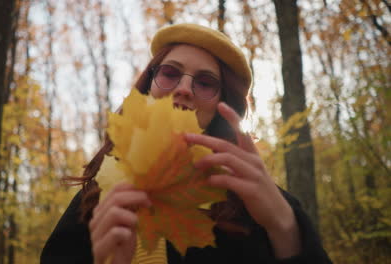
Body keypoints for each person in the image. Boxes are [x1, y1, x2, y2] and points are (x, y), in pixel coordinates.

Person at [40, 23, 332, 264]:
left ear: (222, 105)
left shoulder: (258, 203)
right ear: (148, 88)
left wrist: (285, 228)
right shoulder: (96, 195)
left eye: (205, 83)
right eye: (170, 73)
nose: (183, 90)